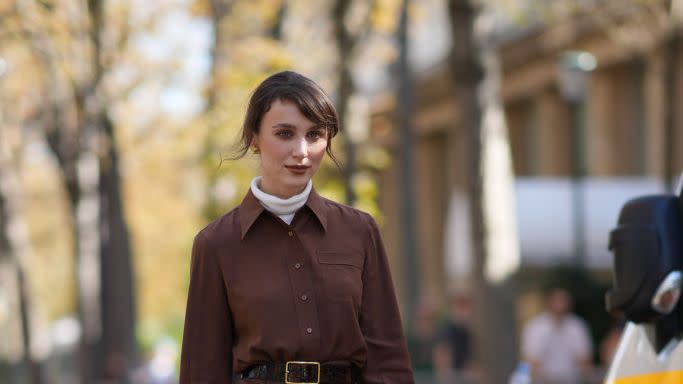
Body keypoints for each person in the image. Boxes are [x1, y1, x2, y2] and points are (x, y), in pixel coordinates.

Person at [179, 71, 414, 384]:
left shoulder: (360, 231)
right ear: (254, 138)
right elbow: (202, 370)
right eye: (285, 133)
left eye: (314, 135)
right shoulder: (216, 243)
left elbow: (388, 359)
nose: (302, 151)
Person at [521, 288, 593, 384]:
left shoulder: (577, 326)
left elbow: (584, 359)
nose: (560, 305)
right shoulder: (535, 327)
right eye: (557, 301)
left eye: (563, 301)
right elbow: (531, 360)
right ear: (549, 302)